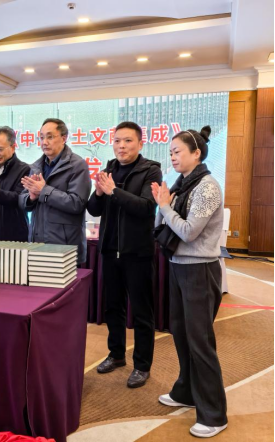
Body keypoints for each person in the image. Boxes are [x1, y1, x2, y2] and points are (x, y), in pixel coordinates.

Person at [152, 126, 228, 439]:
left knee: (200, 343)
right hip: (178, 266)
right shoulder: (181, 184)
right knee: (181, 335)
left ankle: (214, 414)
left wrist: (164, 205)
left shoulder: (207, 187)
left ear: (196, 153)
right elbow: (162, 225)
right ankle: (186, 391)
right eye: (170, 152)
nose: (172, 156)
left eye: (177, 151)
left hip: (199, 271)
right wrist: (163, 204)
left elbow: (188, 232)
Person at [87, 121, 163, 389]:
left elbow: (146, 207)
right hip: (110, 251)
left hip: (137, 252)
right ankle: (116, 354)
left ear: (140, 143)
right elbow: (94, 209)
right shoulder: (109, 169)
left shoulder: (151, 170)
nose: (121, 146)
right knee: (113, 308)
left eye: (128, 141)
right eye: (117, 141)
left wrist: (113, 191)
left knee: (142, 312)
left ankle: (142, 365)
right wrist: (99, 193)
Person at [19, 118, 91, 266]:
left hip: (64, 247)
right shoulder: (36, 166)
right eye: (41, 137)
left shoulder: (77, 165)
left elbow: (77, 203)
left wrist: (43, 191)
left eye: (50, 137)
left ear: (64, 138)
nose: (44, 142)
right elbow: (22, 199)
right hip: (37, 244)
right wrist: (31, 198)